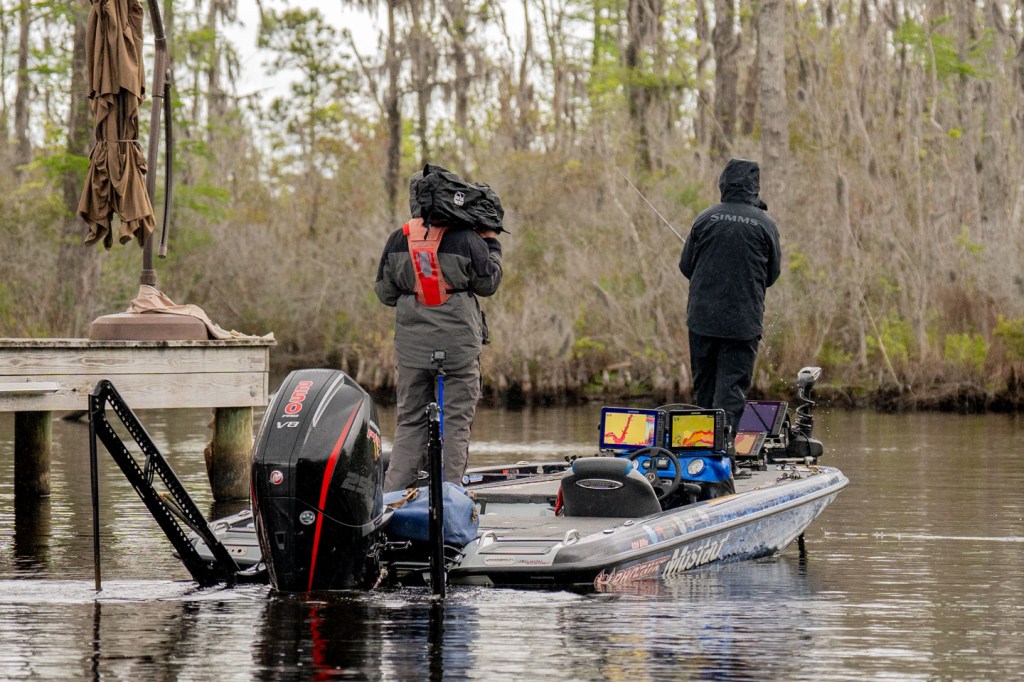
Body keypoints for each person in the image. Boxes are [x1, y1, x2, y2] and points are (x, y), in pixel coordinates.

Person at [374, 168, 504, 492]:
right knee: (456, 423)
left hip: (413, 350)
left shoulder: (398, 239)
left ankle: (392, 498)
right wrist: (492, 244)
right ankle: (449, 497)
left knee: (410, 422)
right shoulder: (469, 239)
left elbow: (385, 294)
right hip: (459, 348)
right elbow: (488, 284)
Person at [679, 158, 782, 447]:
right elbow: (772, 275)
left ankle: (700, 449)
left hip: (702, 321)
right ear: (754, 188)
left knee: (705, 390)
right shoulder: (766, 224)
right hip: (743, 323)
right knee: (731, 392)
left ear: (723, 184)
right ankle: (723, 453)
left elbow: (686, 266)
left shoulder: (705, 218)